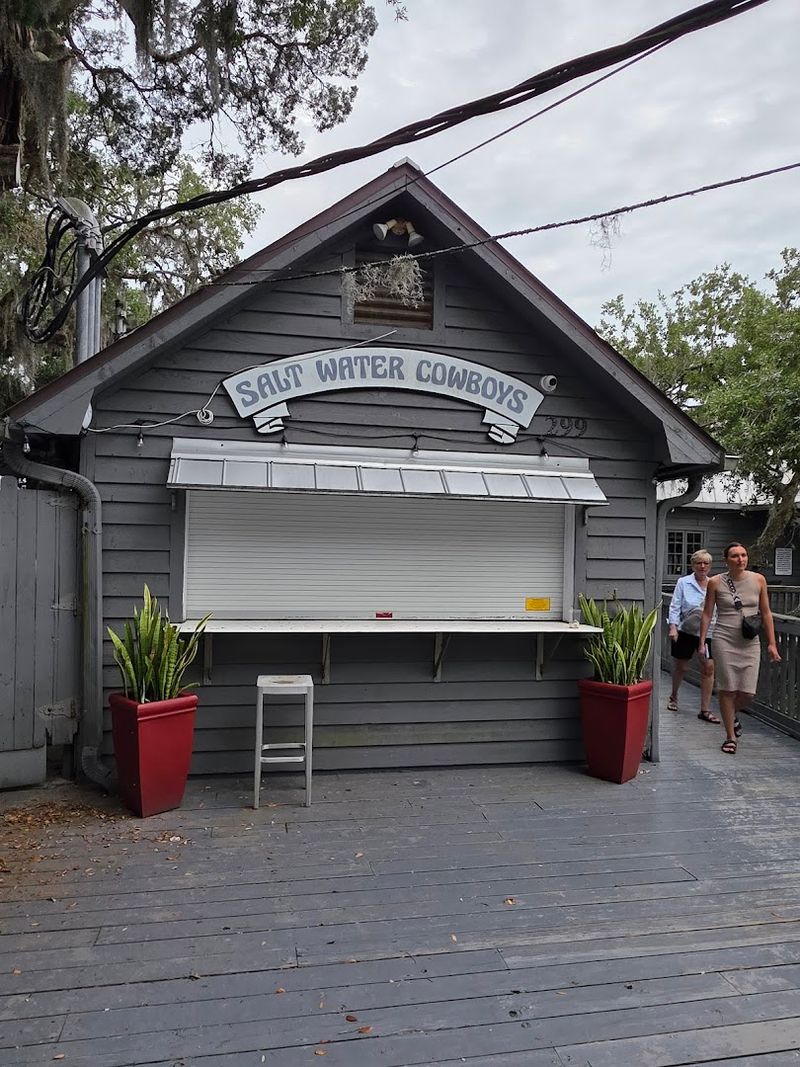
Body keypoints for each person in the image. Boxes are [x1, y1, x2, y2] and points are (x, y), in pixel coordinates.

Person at [698, 541, 781, 754]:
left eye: (743, 555)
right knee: (727, 689)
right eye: (735, 556)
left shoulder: (758, 580)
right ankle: (730, 737)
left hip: (750, 641)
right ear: (727, 560)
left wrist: (771, 643)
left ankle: (730, 714)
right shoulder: (715, 582)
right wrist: (702, 642)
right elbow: (707, 613)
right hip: (724, 639)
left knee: (747, 693)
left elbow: (766, 613)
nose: (741, 559)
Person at [667, 549, 718, 723]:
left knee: (708, 667)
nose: (702, 566)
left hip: (708, 632)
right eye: (698, 563)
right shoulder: (684, 582)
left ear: (710, 566)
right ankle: (674, 696)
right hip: (686, 630)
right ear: (692, 565)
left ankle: (705, 709)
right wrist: (673, 627)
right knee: (682, 667)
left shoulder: (715, 583)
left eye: (706, 563)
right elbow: (675, 605)